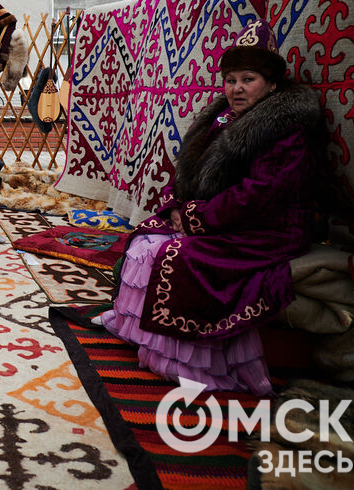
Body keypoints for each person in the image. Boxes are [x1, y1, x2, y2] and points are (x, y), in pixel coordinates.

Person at [100, 20, 327, 396]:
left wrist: (196, 218)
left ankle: (185, 361)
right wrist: (178, 206)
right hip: (224, 218)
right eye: (231, 79)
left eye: (248, 79)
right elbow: (191, 173)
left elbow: (259, 194)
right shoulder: (222, 119)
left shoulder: (287, 129)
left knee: (177, 257)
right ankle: (140, 333)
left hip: (268, 227)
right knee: (144, 239)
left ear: (271, 84)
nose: (236, 88)